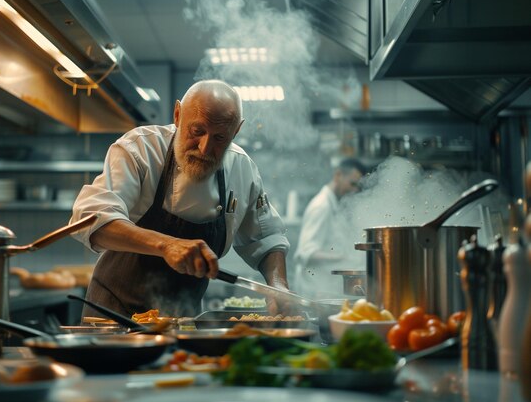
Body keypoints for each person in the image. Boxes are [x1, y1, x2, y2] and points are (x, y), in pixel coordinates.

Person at [69, 79, 290, 318]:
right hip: (113, 315)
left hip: (184, 322)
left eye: (220, 138)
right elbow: (90, 219)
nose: (205, 148)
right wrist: (167, 245)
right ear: (177, 115)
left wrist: (277, 285)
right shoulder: (140, 149)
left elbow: (267, 237)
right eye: (197, 132)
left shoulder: (242, 168)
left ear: (236, 131)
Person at [293, 158, 367, 298]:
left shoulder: (334, 204)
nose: (354, 190)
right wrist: (344, 258)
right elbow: (304, 253)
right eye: (352, 184)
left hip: (323, 289)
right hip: (313, 291)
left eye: (358, 187)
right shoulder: (321, 206)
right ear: (338, 175)